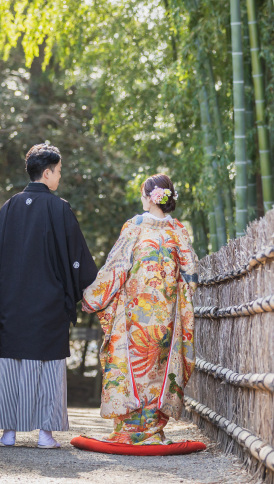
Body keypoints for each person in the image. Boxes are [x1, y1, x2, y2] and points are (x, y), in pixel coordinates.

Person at [0, 143, 98, 448]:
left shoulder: (8, 207)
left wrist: (1, 299)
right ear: (47, 173)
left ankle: (8, 433)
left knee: (12, 363)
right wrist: (82, 289)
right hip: (49, 303)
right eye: (58, 171)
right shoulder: (59, 208)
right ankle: (45, 434)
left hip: (13, 302)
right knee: (48, 365)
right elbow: (77, 259)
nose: (59, 176)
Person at [82, 174, 198, 445]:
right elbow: (191, 274)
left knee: (133, 365)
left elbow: (116, 267)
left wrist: (91, 296)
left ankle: (130, 429)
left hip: (135, 313)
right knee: (157, 367)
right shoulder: (178, 230)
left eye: (143, 194)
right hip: (166, 314)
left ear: (150, 197)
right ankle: (152, 430)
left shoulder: (135, 226)